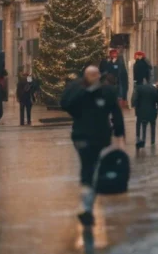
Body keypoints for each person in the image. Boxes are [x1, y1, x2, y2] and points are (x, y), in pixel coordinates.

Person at [61, 65, 125, 227]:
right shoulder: (79, 90)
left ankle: (87, 205)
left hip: (95, 137)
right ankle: (87, 205)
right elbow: (66, 104)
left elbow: (116, 113)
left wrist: (119, 135)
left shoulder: (106, 92)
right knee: (90, 168)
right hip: (86, 136)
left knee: (89, 168)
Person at [131, 78, 158, 149]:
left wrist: (133, 105)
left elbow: (134, 99)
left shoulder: (138, 88)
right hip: (152, 111)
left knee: (143, 126)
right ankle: (152, 142)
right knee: (153, 126)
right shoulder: (154, 88)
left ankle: (142, 140)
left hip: (141, 111)